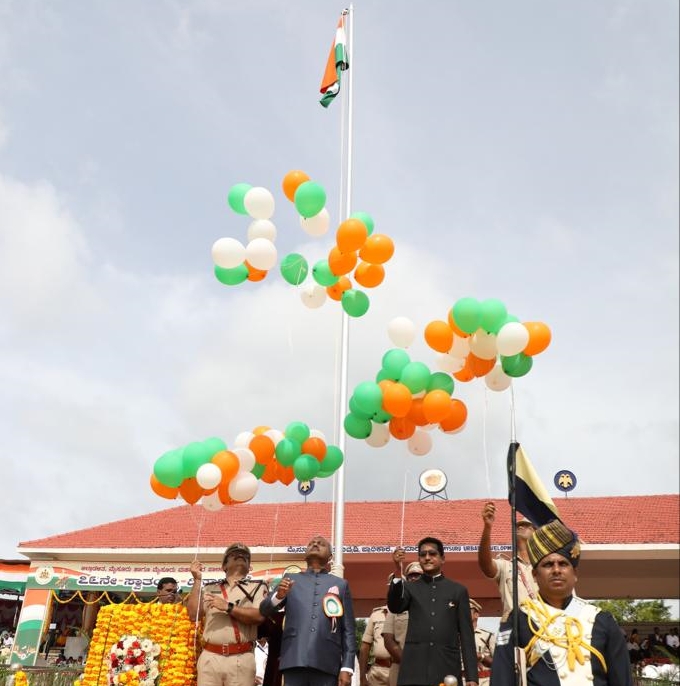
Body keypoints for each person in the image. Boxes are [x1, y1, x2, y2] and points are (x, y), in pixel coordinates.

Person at [490, 520, 633, 686]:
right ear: (535, 575)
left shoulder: (603, 620)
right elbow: (501, 678)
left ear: (575, 574)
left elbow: (622, 679)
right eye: (548, 564)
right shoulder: (518, 620)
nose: (556, 570)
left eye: (563, 564)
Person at [259, 534, 356, 686]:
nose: (315, 544)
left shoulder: (341, 585)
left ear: (330, 556)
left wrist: (347, 667)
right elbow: (264, 610)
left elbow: (348, 629)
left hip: (327, 662)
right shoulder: (290, 579)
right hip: (294, 658)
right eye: (312, 543)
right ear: (305, 555)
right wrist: (278, 596)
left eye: (321, 544)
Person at [387, 537, 478, 686]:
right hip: (413, 671)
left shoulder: (458, 591)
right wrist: (398, 569)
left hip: (446, 669)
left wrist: (472, 678)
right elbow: (395, 606)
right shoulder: (411, 587)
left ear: (443, 558)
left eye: (432, 554)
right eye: (423, 555)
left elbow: (467, 637)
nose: (427, 558)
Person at [187, 542, 268, 686]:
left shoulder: (257, 586)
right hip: (210, 657)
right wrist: (197, 580)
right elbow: (194, 615)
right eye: (233, 555)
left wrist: (228, 607)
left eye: (245, 556)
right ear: (224, 566)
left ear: (249, 567)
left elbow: (258, 616)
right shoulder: (210, 587)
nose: (240, 556)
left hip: (241, 657)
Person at [478, 502, 538, 621]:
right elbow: (486, 565)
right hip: (514, 628)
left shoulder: (545, 567)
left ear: (536, 533)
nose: (520, 527)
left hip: (542, 626)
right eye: (518, 526)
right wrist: (487, 527)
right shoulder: (506, 565)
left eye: (527, 526)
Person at [382, 562, 423, 686]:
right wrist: (407, 662)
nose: (414, 578)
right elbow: (388, 639)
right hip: (400, 667)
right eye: (411, 575)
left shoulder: (434, 604)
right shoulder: (396, 606)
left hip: (428, 667)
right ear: (407, 579)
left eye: (418, 575)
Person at [359, 605, 391, 686]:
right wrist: (362, 677)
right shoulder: (376, 615)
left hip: (402, 673)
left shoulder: (411, 614)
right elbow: (365, 646)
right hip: (378, 674)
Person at [470, 599, 495, 686]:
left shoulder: (488, 636)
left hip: (483, 681)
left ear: (476, 615)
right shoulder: (453, 637)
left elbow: (499, 663)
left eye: (468, 610)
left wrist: (482, 656)